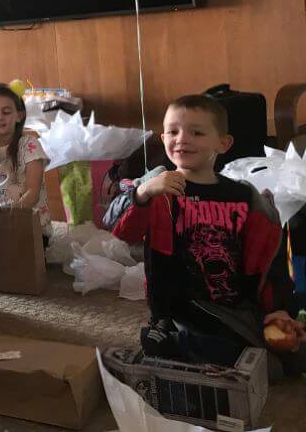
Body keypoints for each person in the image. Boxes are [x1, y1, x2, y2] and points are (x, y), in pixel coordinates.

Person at [104, 94, 306, 377]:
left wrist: (279, 310)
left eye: (196, 132)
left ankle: (193, 350)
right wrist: (143, 193)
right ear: (163, 138)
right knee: (264, 368)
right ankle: (170, 343)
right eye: (173, 132)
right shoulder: (158, 188)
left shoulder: (244, 196)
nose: (182, 139)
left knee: (294, 358)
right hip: (184, 309)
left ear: (223, 143)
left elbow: (269, 256)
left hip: (237, 306)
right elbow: (119, 227)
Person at [0, 85, 50, 232]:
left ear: (19, 115)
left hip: (28, 227)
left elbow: (33, 192)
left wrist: (8, 218)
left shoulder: (29, 144)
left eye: (6, 112)